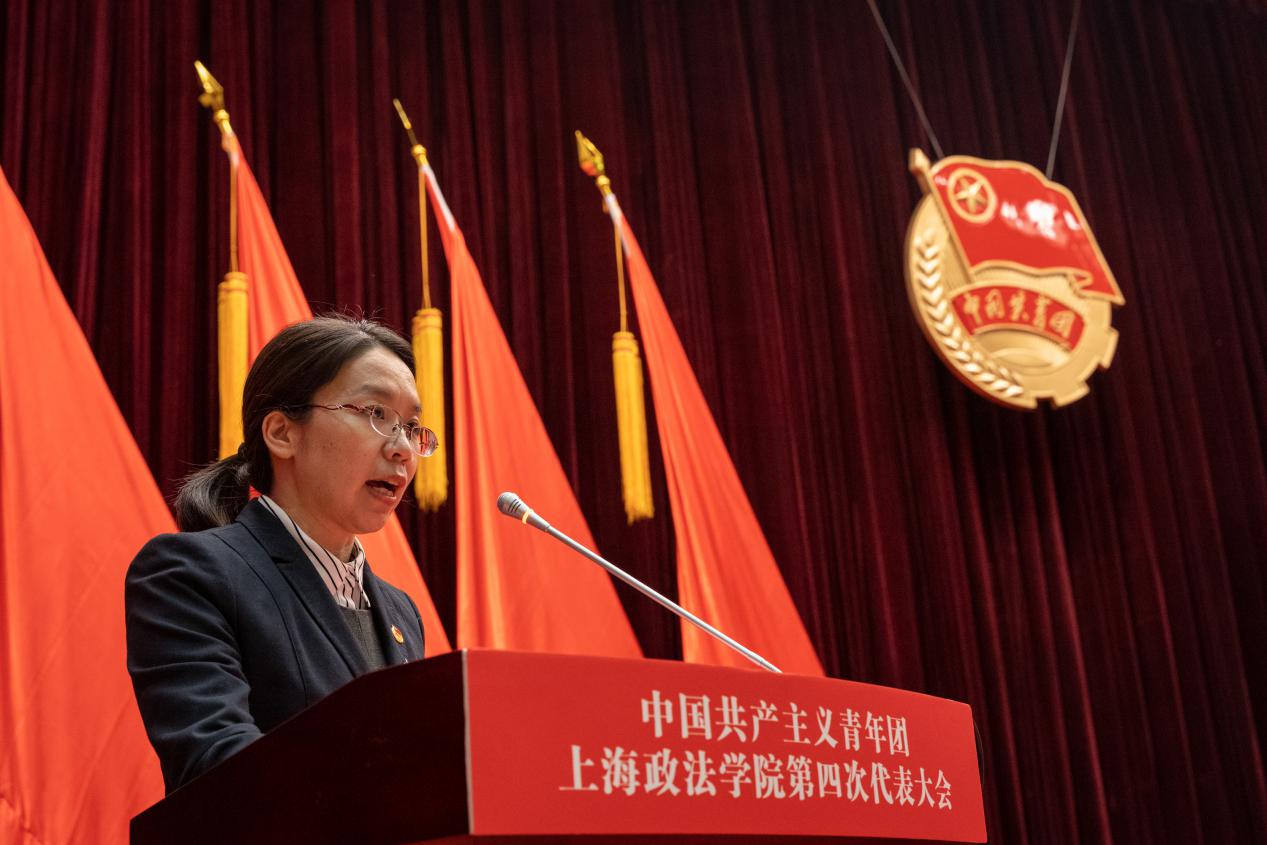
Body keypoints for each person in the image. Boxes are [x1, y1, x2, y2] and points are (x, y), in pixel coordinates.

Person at [125, 315, 437, 793]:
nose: (402, 449)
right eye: (376, 413)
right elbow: (218, 764)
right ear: (281, 433)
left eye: (411, 427)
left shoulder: (401, 613)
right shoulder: (192, 574)